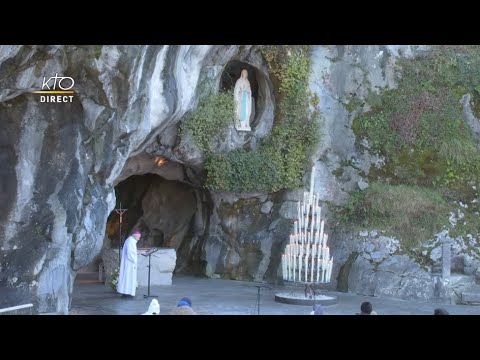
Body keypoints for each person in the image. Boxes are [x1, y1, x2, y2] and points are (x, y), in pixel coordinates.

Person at [117, 230, 141, 298]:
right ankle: (127, 293)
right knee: (128, 278)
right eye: (139, 237)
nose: (139, 239)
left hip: (128, 263)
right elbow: (130, 254)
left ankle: (126, 292)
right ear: (135, 236)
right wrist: (135, 259)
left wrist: (136, 253)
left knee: (127, 278)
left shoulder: (130, 240)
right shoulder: (131, 241)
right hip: (129, 263)